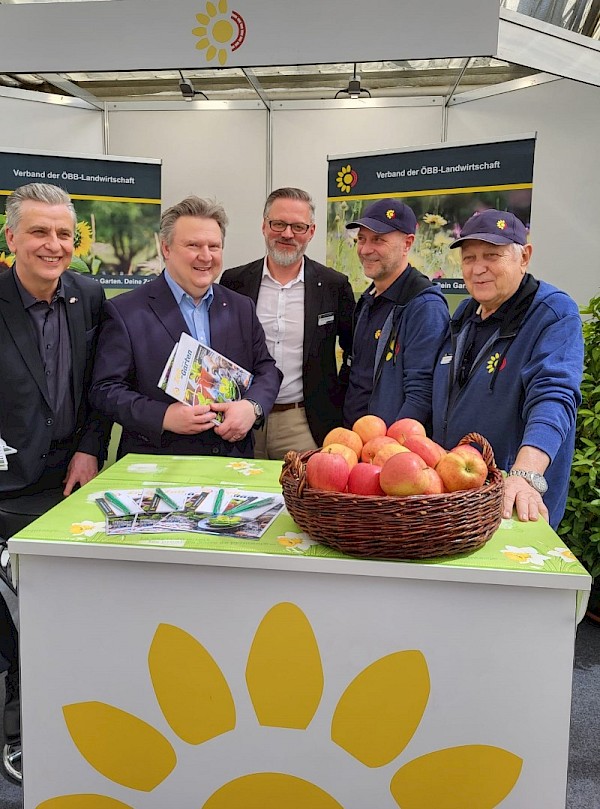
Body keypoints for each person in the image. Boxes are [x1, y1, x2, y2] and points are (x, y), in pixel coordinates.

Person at [0, 182, 111, 783]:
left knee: (62, 610)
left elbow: (98, 387)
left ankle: (75, 717)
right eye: (39, 232)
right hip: (5, 485)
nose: (53, 244)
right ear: (11, 237)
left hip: (70, 482)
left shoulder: (89, 296)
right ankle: (22, 737)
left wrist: (91, 448)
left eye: (64, 234)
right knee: (19, 618)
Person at [90, 196, 281, 459]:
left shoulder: (240, 307)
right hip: (158, 467)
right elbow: (105, 390)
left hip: (232, 463)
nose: (206, 256)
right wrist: (164, 416)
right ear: (166, 248)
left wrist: (252, 407)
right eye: (193, 245)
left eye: (214, 246)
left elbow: (266, 369)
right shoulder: (126, 311)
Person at [431, 209, 583, 529]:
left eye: (492, 255)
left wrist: (525, 475)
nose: (478, 268)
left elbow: (554, 397)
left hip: (512, 502)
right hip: (459, 496)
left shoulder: (553, 313)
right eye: (469, 257)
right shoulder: (466, 312)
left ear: (524, 257)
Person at [220, 187, 355, 458]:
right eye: (278, 224)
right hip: (242, 418)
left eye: (298, 226)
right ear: (264, 226)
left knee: (302, 498)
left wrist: (334, 397)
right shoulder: (234, 282)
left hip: (304, 422)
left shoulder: (333, 285)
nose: (287, 234)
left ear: (312, 231)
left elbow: (353, 350)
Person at [342, 198, 449, 429]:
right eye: (362, 239)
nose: (366, 249)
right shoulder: (368, 298)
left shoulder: (424, 306)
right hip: (355, 444)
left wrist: (391, 448)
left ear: (408, 243)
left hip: (390, 451)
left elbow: (421, 394)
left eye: (378, 240)